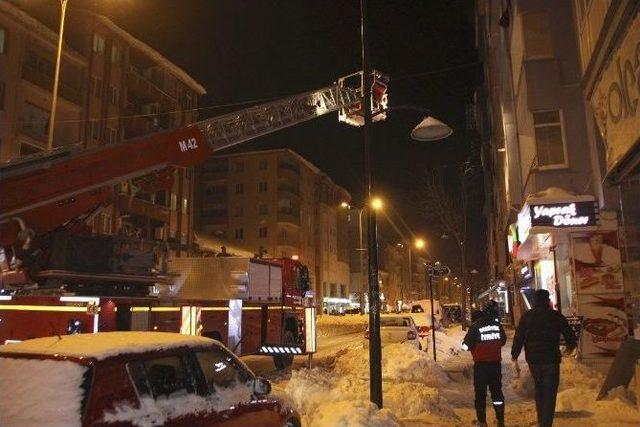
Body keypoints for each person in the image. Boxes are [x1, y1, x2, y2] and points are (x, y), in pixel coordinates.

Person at [511, 289, 577, 427]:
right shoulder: (555, 316)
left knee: (539, 388)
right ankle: (546, 423)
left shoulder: (527, 317)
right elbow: (569, 333)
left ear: (535, 301)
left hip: (533, 360)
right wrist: (571, 346)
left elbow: (519, 337)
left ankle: (542, 420)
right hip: (551, 359)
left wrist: (514, 355)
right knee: (550, 391)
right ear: (547, 300)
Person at [462, 305, 507, 427]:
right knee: (497, 393)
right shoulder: (497, 325)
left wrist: (467, 347)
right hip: (495, 365)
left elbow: (465, 345)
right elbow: (503, 340)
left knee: (480, 394)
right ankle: (500, 419)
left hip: (481, 366)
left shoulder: (475, 327)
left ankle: (482, 421)